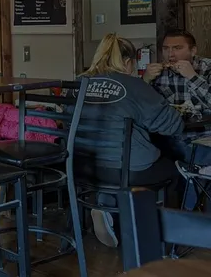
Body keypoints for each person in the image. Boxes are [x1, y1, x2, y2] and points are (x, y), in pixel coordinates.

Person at [75, 33, 183, 248]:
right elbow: (173, 126)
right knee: (174, 172)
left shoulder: (78, 83)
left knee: (122, 166)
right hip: (126, 169)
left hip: (84, 166)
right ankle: (164, 239)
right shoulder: (134, 85)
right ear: (127, 62)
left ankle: (106, 205)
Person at [143, 29, 211, 211]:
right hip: (168, 137)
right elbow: (141, 106)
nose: (170, 54)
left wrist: (192, 77)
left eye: (177, 48)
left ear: (193, 50)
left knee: (193, 157)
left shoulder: (208, 68)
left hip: (203, 137)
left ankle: (188, 211)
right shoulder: (158, 72)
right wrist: (145, 80)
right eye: (166, 49)